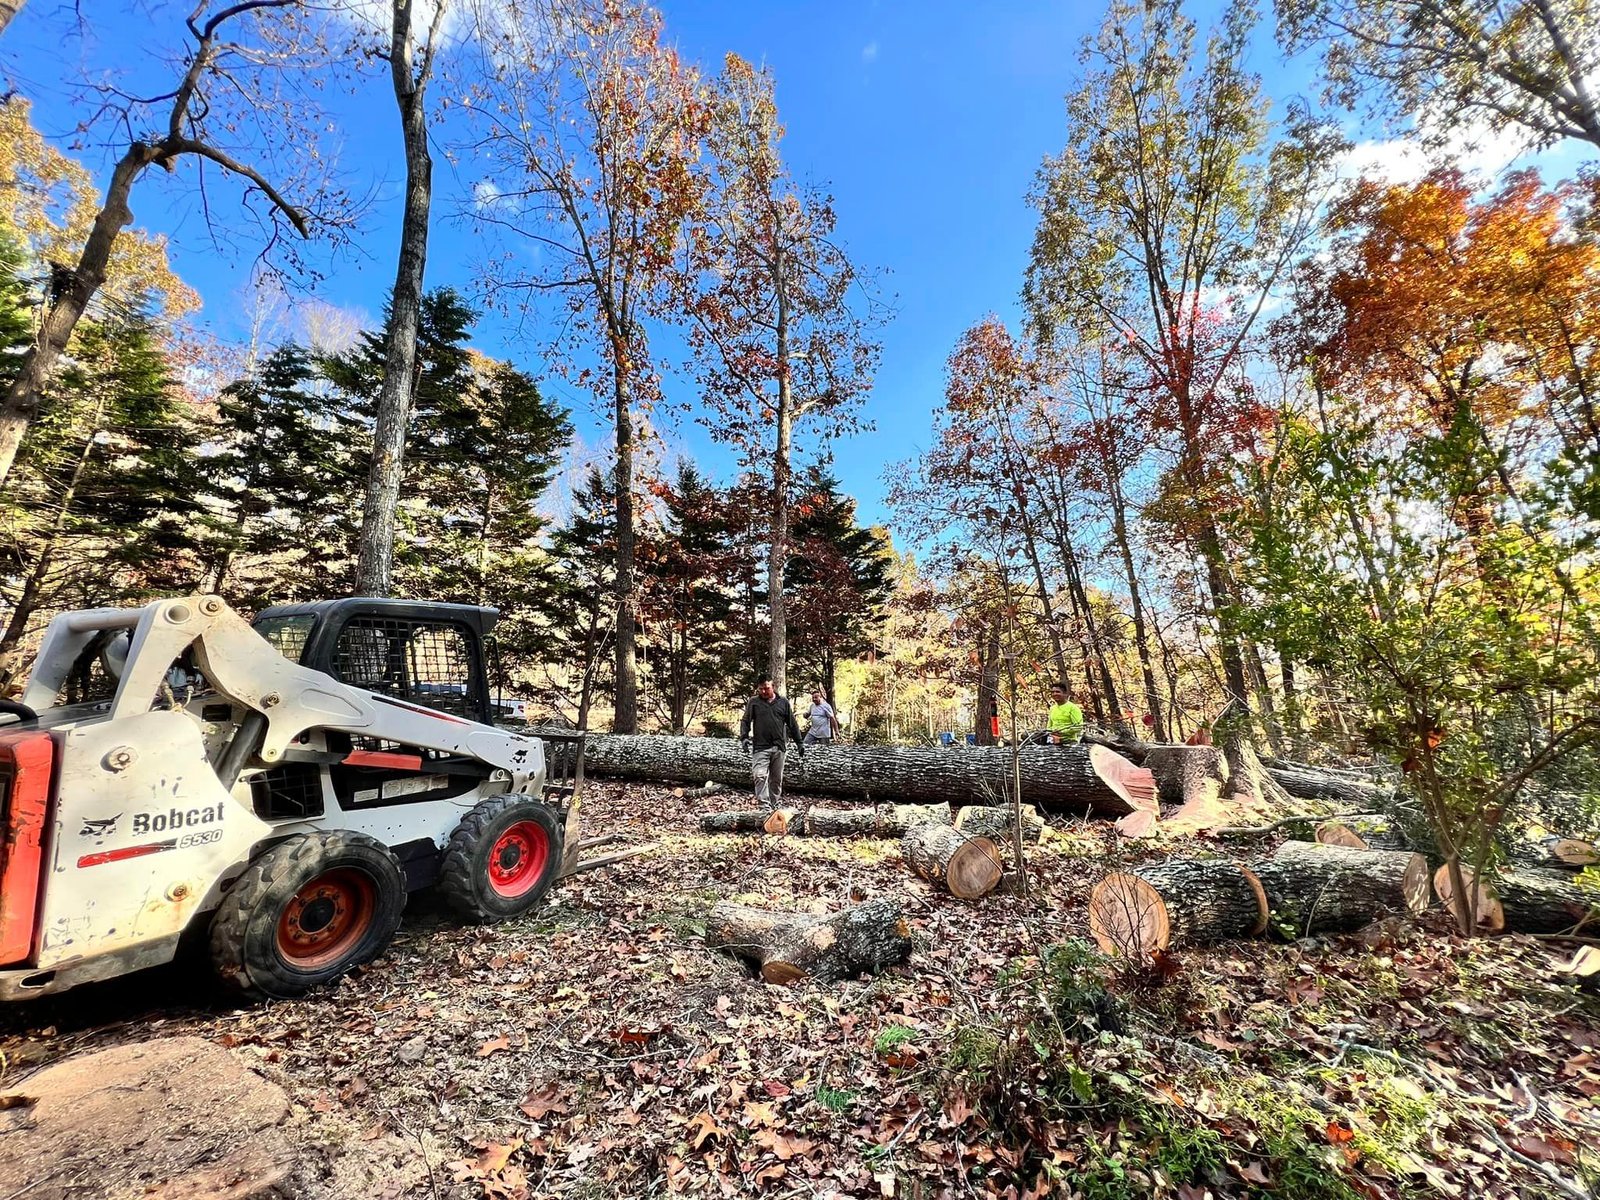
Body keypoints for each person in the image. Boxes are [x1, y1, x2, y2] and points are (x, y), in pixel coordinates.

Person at [738, 679, 804, 809]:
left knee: (776, 779)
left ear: (773, 687)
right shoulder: (754, 702)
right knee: (759, 775)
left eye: (766, 688)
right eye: (761, 689)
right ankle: (764, 806)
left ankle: (775, 805)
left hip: (779, 746)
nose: (763, 691)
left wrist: (799, 743)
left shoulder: (783, 702)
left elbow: (792, 723)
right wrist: (744, 737)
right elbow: (745, 720)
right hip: (761, 747)